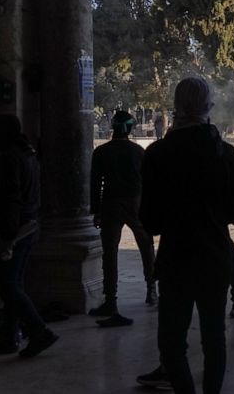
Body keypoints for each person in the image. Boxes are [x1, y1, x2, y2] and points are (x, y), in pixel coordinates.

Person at [140, 76, 234, 394]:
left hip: (176, 259)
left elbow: (151, 221)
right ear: (209, 106)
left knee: (172, 344)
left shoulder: (158, 154)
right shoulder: (225, 153)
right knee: (214, 339)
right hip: (215, 256)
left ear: (176, 106)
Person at [0, 114, 59, 358]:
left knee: (6, 284)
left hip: (14, 230)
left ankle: (38, 330)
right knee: (14, 283)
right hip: (27, 227)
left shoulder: (10, 160)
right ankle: (8, 335)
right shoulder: (27, 155)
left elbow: (10, 200)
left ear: (5, 132)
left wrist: (6, 237)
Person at [89, 110, 157, 327]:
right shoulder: (138, 151)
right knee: (146, 246)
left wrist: (96, 210)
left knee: (110, 252)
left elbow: (95, 183)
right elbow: (148, 182)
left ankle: (110, 300)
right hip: (136, 202)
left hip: (110, 203)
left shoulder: (101, 152)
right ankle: (151, 290)